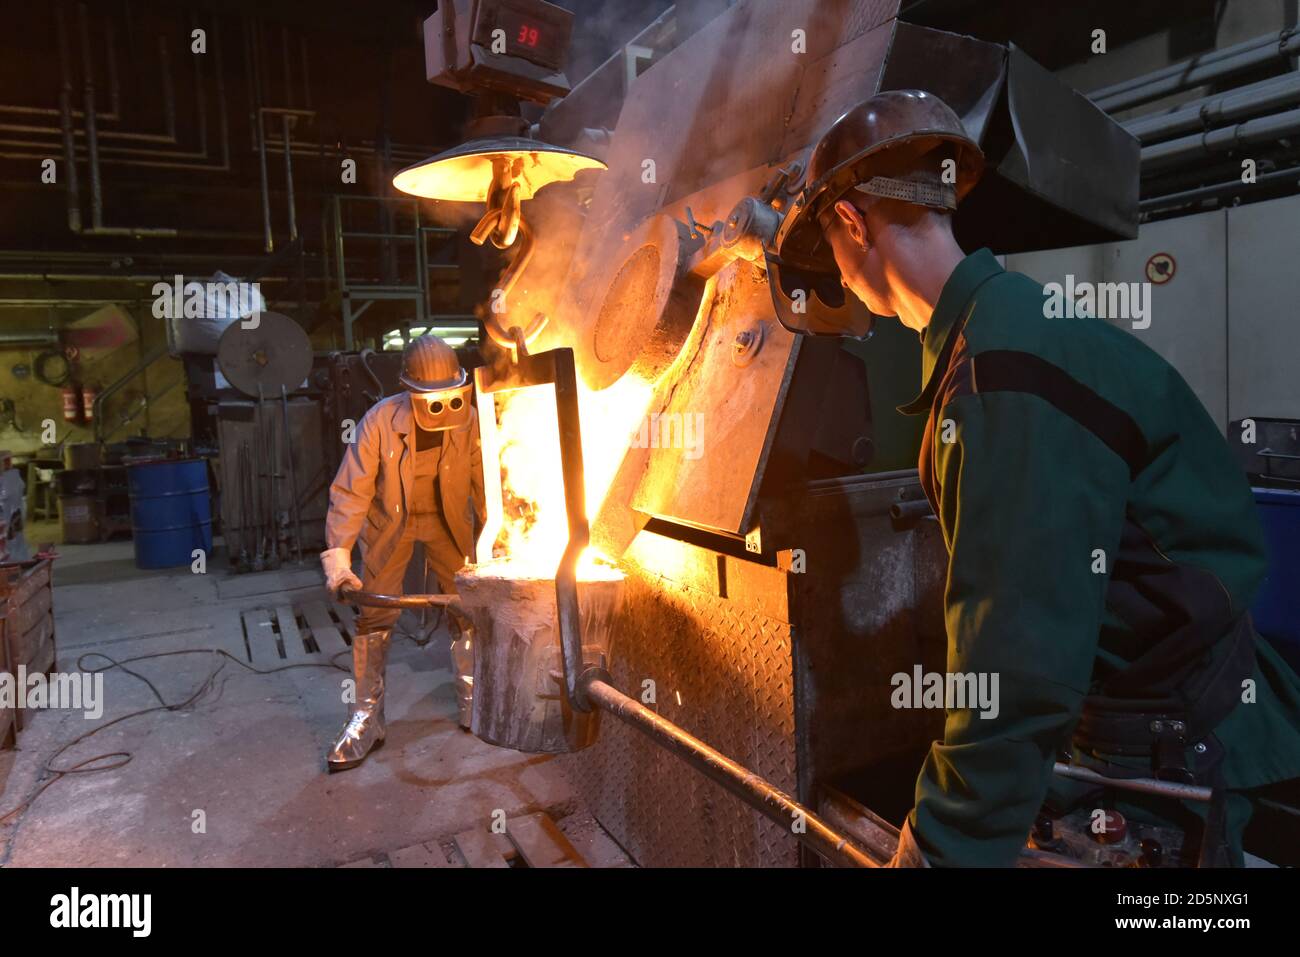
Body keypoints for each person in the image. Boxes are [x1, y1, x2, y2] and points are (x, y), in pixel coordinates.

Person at [775, 88, 1300, 866]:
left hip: (1168, 741)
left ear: (852, 222)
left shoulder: (997, 376)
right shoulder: (1004, 326)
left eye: (835, 257)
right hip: (1164, 707)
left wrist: (940, 847)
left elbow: (1013, 671)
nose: (842, 283)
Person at [320, 334, 485, 771]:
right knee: (375, 610)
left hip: (448, 522)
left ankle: (475, 701)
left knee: (466, 604)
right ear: (409, 392)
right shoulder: (378, 420)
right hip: (389, 524)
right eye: (431, 399)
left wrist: (501, 536)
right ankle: (366, 719)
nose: (442, 407)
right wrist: (338, 558)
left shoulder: (468, 419)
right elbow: (350, 492)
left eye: (451, 397)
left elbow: (483, 481)